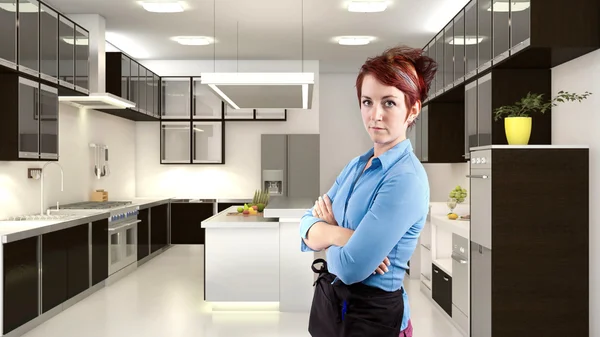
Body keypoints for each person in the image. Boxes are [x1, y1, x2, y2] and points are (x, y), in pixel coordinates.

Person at [299, 45, 436, 337]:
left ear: (412, 109)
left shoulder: (405, 179)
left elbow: (351, 268)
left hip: (374, 320)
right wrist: (344, 235)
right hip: (336, 312)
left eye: (388, 103)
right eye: (367, 102)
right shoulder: (356, 165)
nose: (375, 115)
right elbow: (305, 225)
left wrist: (326, 234)